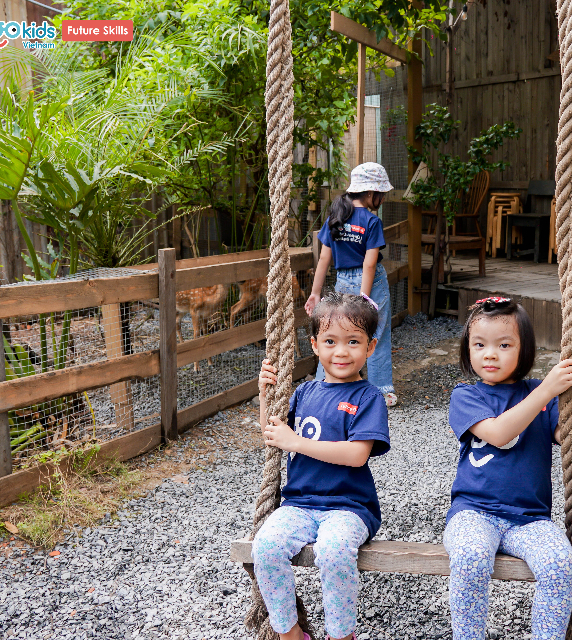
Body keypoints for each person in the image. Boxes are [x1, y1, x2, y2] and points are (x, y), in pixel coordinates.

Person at [443, 297, 572, 640]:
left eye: (504, 345)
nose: (490, 354)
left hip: (529, 518)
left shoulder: (541, 393)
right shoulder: (465, 397)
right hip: (474, 512)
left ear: (524, 350)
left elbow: (566, 437)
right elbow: (498, 434)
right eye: (479, 345)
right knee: (470, 555)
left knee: (559, 563)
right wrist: (548, 390)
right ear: (467, 349)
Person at [251, 292, 391, 640]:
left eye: (353, 341)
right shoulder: (303, 393)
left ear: (370, 347)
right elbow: (272, 433)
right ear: (314, 345)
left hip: (348, 507)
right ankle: (290, 634)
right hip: (299, 504)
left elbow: (357, 454)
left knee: (334, 551)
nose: (341, 351)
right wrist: (265, 394)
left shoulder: (368, 397)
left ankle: (340, 635)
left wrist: (296, 442)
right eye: (330, 341)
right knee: (265, 547)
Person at [305, 162, 397, 407]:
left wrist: (315, 293)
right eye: (382, 194)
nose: (383, 199)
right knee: (377, 334)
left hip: (343, 281)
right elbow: (369, 264)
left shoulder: (336, 217)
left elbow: (324, 258)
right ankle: (382, 392)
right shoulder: (372, 221)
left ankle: (323, 385)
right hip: (371, 283)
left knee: (338, 333)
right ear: (371, 193)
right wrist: (364, 298)